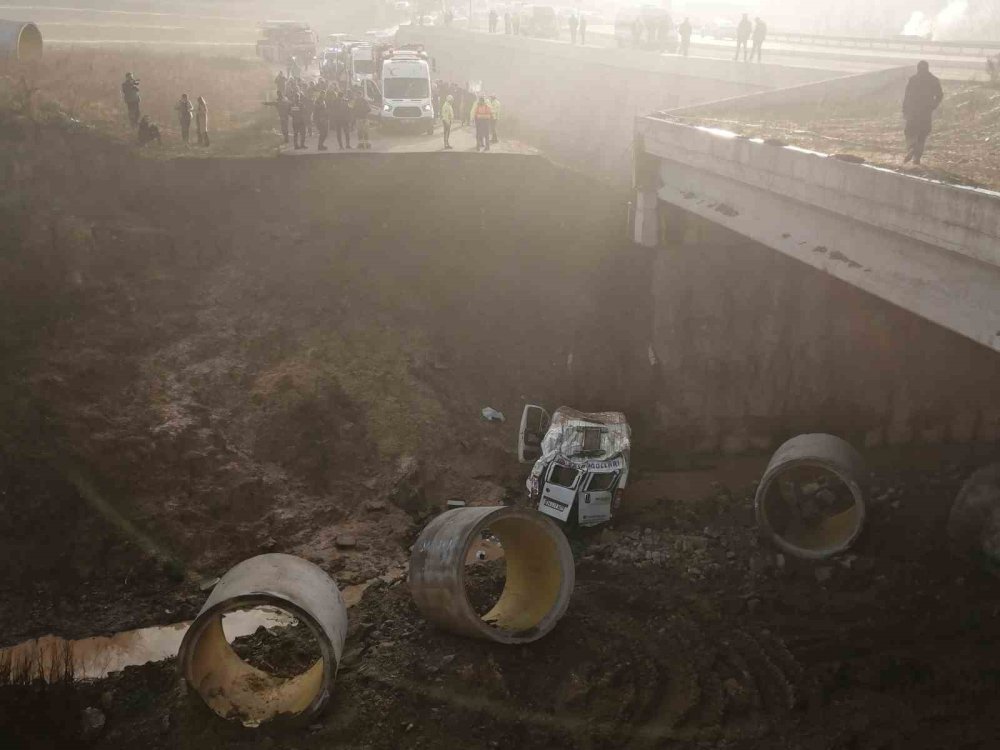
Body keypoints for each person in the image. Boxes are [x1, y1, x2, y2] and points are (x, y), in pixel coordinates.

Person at [902, 60, 944, 166]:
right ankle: (917, 158)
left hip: (913, 111)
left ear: (918, 68)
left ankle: (912, 148)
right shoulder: (933, 80)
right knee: (922, 134)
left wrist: (905, 109)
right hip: (926, 112)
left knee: (909, 132)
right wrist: (933, 106)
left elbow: (907, 96)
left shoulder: (913, 79)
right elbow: (939, 95)